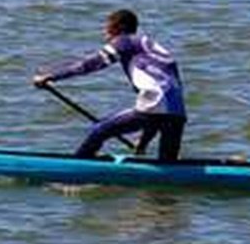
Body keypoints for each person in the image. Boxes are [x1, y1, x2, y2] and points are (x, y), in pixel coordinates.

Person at [34, 9, 187, 161]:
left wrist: (51, 76)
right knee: (168, 163)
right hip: (178, 112)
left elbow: (88, 65)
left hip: (155, 106)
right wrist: (143, 143)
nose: (105, 33)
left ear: (118, 28)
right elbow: (159, 112)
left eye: (107, 28)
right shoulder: (152, 50)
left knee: (100, 129)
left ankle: (78, 168)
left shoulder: (124, 41)